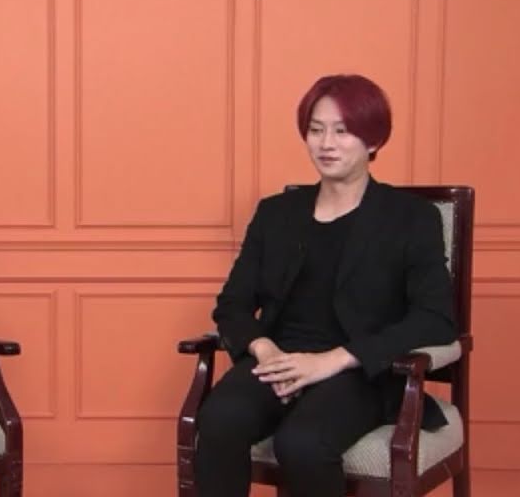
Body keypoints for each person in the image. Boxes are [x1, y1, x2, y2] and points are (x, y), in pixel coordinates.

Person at [195, 74, 457, 497]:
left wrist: (333, 360)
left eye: (342, 131)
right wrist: (265, 350)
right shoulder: (276, 213)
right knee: (219, 419)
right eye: (316, 130)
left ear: (374, 140)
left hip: (360, 372)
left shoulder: (410, 218)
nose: (326, 144)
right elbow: (233, 304)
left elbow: (436, 318)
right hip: (281, 360)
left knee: (302, 443)